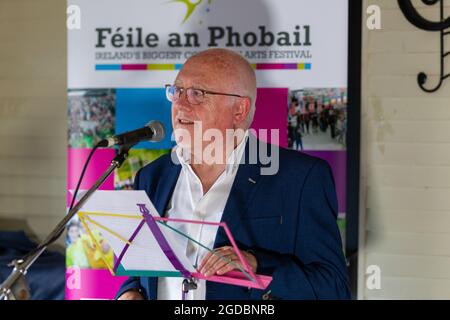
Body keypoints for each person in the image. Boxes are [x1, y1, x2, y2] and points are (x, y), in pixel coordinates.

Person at [116, 48, 350, 300]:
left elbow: (333, 287)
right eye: (177, 91)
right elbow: (140, 273)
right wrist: (130, 292)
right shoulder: (152, 177)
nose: (179, 104)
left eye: (197, 93)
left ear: (239, 109)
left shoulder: (300, 179)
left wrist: (256, 264)